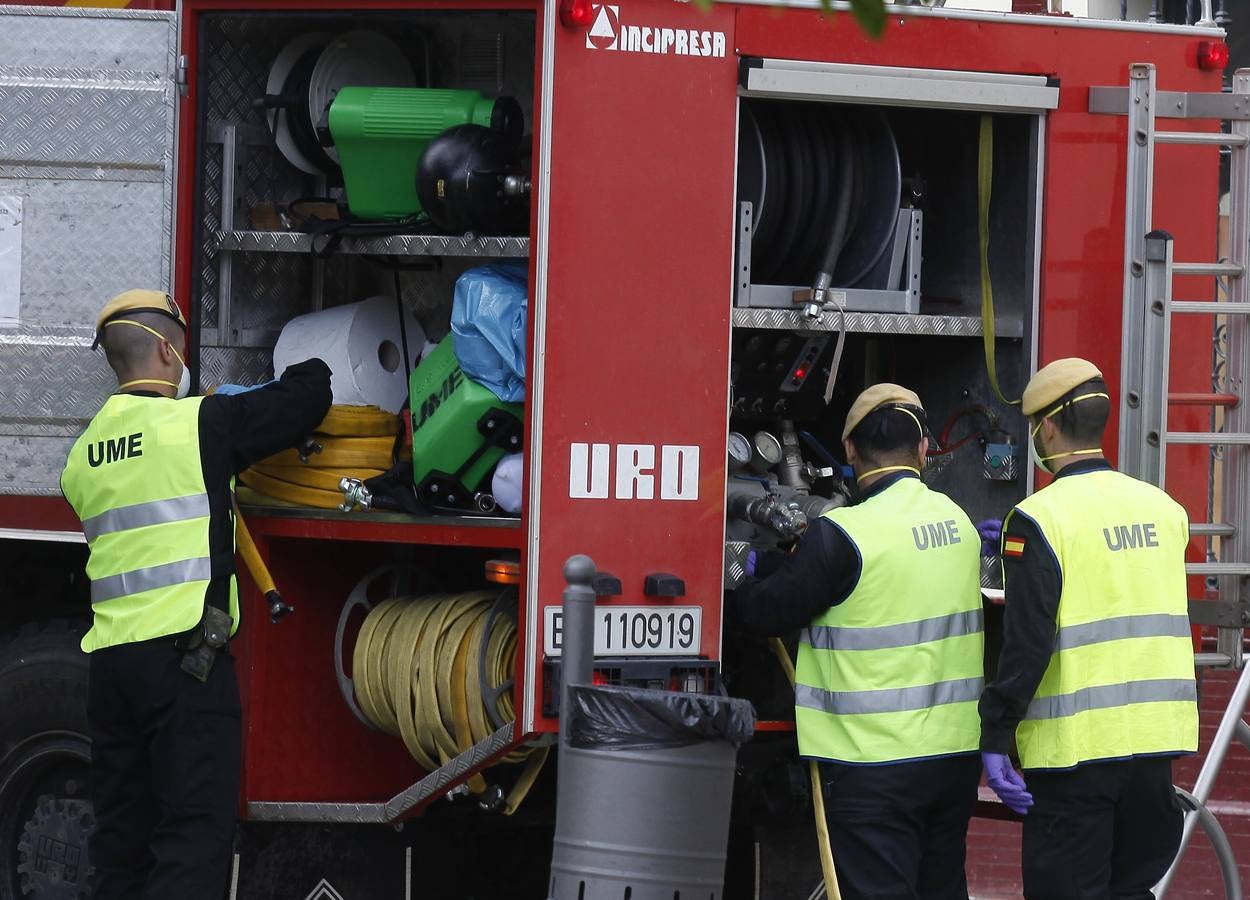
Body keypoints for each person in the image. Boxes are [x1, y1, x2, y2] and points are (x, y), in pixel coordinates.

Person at [60, 289, 332, 900]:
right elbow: (303, 403)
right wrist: (313, 362)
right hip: (186, 665)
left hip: (110, 671)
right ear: (164, 349)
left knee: (121, 844)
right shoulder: (200, 425)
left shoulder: (81, 456)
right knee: (192, 838)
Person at [733, 384, 985, 900]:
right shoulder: (959, 524)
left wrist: (745, 573)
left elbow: (764, 612)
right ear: (921, 451)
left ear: (849, 450)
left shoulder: (844, 534)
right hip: (952, 760)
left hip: (872, 768)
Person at [979, 357, 1198, 898]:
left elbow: (1026, 644)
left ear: (1046, 427)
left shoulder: (1038, 519)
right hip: (1154, 756)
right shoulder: (1165, 510)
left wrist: (996, 733)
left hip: (1073, 760)